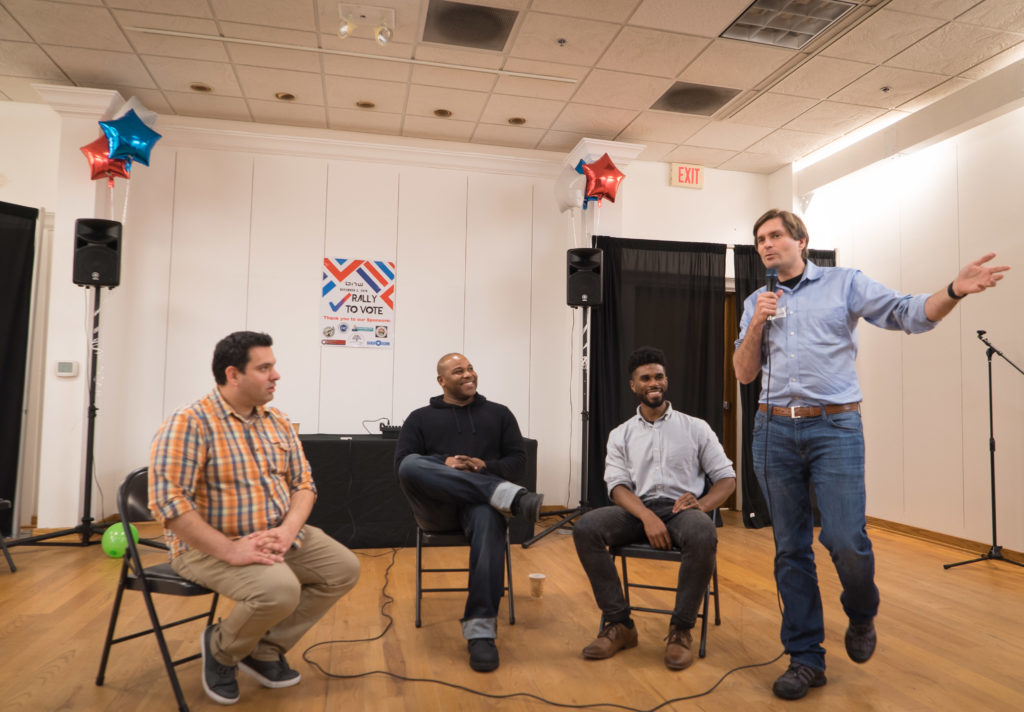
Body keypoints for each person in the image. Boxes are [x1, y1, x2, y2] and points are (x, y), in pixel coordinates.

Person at [734, 209, 1009, 700]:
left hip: (835, 426)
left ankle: (861, 612)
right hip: (772, 430)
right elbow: (744, 372)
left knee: (844, 538)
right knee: (789, 548)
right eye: (759, 240)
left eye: (775, 236)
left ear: (802, 240)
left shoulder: (845, 284)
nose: (767, 245)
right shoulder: (759, 299)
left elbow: (907, 314)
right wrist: (756, 324)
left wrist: (954, 289)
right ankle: (805, 658)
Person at [149, 331, 360, 705]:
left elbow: (304, 484)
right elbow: (167, 504)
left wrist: (287, 529)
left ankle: (262, 649)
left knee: (343, 569)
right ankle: (221, 649)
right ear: (233, 374)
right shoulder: (190, 422)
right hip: (210, 545)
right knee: (279, 590)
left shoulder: (275, 420)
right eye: (265, 368)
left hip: (278, 533)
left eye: (273, 366)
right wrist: (231, 552)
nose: (276, 375)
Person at [572, 347, 736, 671]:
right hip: (638, 509)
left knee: (703, 531)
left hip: (682, 509)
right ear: (633, 386)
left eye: (658, 376)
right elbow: (617, 487)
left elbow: (727, 479)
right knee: (585, 528)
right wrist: (646, 517)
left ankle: (681, 630)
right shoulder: (620, 434)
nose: (654, 383)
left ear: (666, 380)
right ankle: (620, 625)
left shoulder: (696, 428)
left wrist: (702, 506)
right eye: (645, 378)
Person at [395, 352, 543, 673]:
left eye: (471, 368)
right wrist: (443, 464)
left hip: (481, 509)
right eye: (458, 370)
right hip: (437, 509)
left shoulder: (499, 414)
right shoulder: (419, 418)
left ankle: (481, 632)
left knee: (488, 517)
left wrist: (484, 466)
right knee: (412, 464)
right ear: (441, 381)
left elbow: (518, 460)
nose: (468, 374)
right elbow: (403, 468)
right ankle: (507, 497)